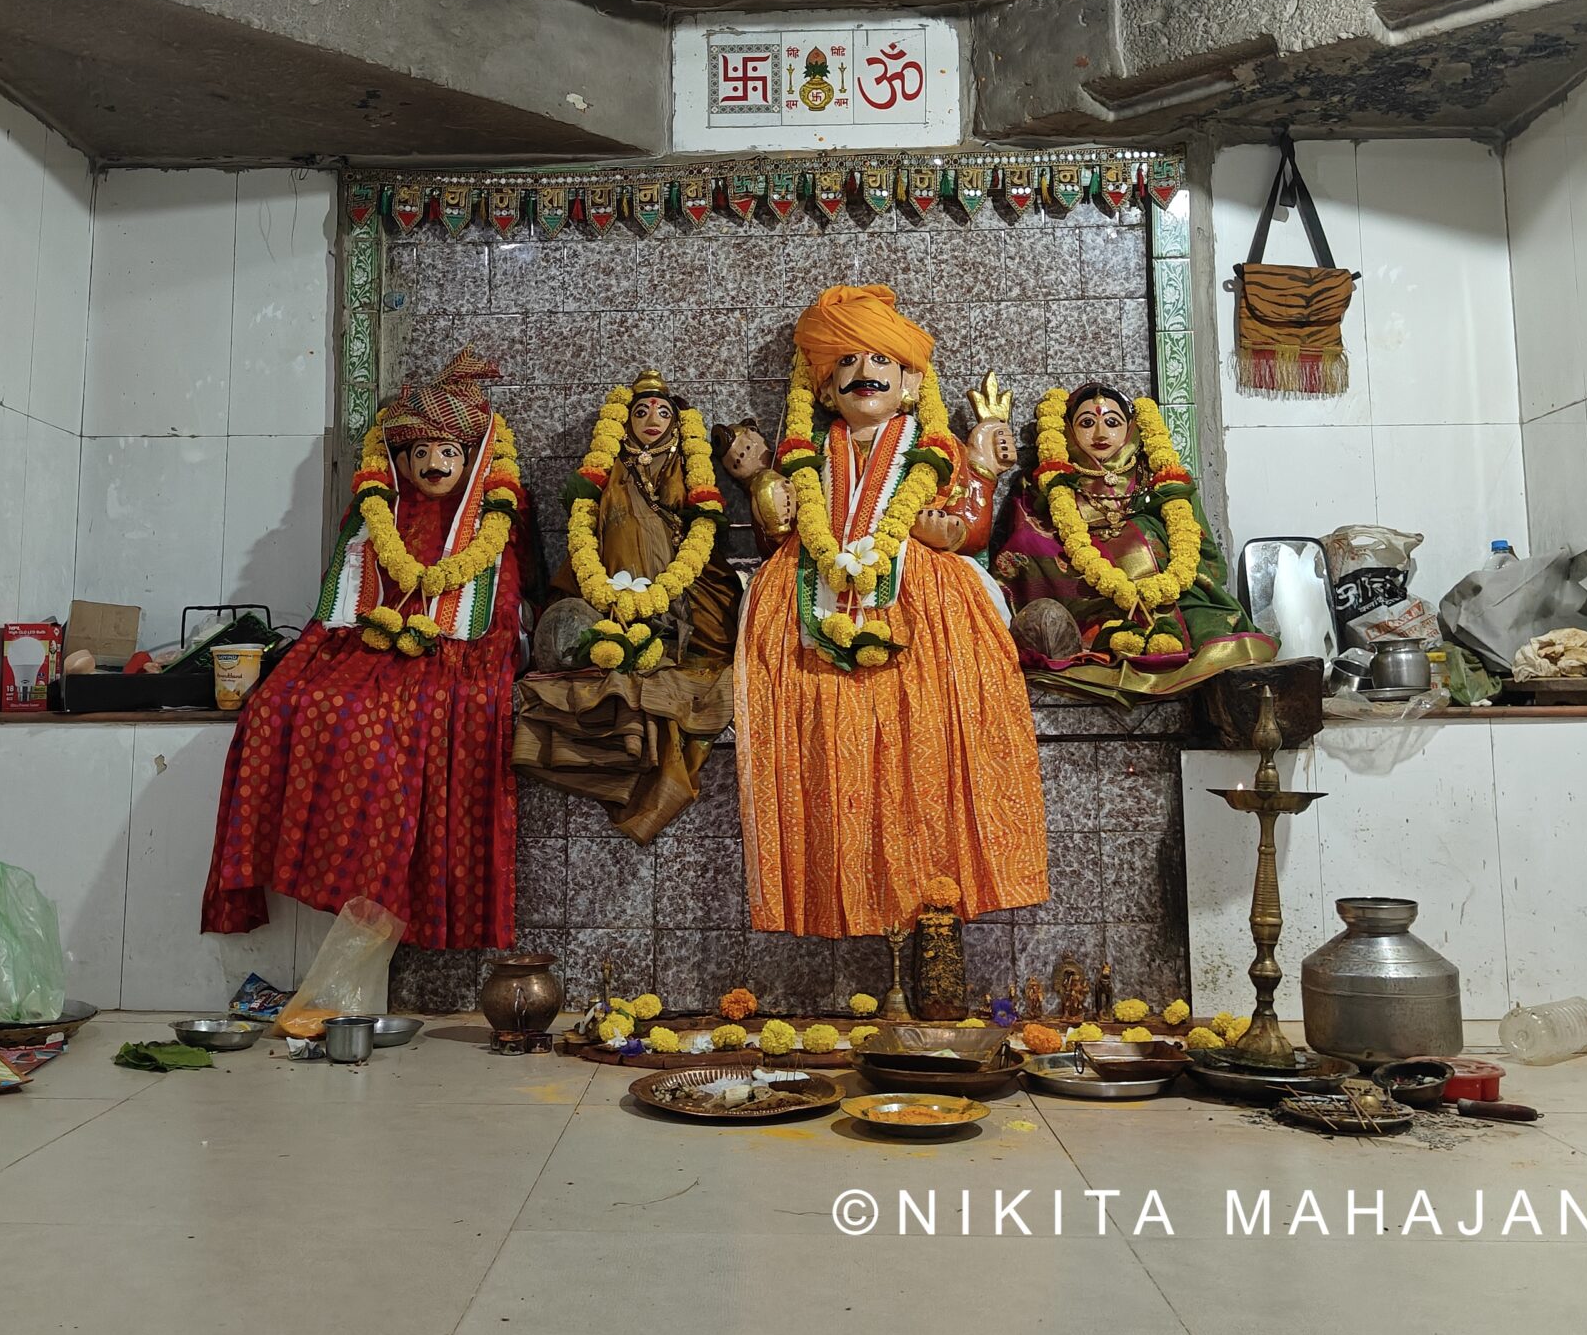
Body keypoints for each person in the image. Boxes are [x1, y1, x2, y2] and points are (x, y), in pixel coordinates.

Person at [733, 283, 1049, 939]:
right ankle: (836, 893)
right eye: (845, 363)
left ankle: (928, 894)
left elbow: (972, 524)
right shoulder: (810, 457)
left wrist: (950, 528)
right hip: (813, 614)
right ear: (824, 392)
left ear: (910, 384)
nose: (863, 373)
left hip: (927, 615)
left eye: (880, 360)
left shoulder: (937, 452)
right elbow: (785, 532)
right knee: (827, 760)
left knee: (927, 754)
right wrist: (773, 514)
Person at [200, 347, 534, 950]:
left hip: (452, 650)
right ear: (399, 460)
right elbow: (344, 603)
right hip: (365, 641)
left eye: (449, 452)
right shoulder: (377, 512)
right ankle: (320, 871)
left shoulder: (489, 521)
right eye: (422, 453)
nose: (435, 465)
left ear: (471, 461)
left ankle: (392, 898)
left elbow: (500, 609)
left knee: (447, 709)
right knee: (283, 706)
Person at [513, 369, 740, 842]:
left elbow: (702, 529)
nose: (651, 420)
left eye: (662, 412)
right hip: (607, 589)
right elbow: (588, 531)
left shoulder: (689, 465)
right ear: (625, 422)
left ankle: (657, 642)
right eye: (640, 412)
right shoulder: (605, 470)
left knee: (707, 655)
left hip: (682, 591)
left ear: (677, 424)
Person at [994, 381, 1275, 700]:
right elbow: (1026, 543)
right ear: (1068, 431)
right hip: (1093, 598)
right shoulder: (1046, 485)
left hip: (1173, 597)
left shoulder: (1158, 479)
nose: (1100, 433)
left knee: (1218, 632)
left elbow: (1201, 549)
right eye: (1087, 422)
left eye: (1112, 422)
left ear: (1130, 428)